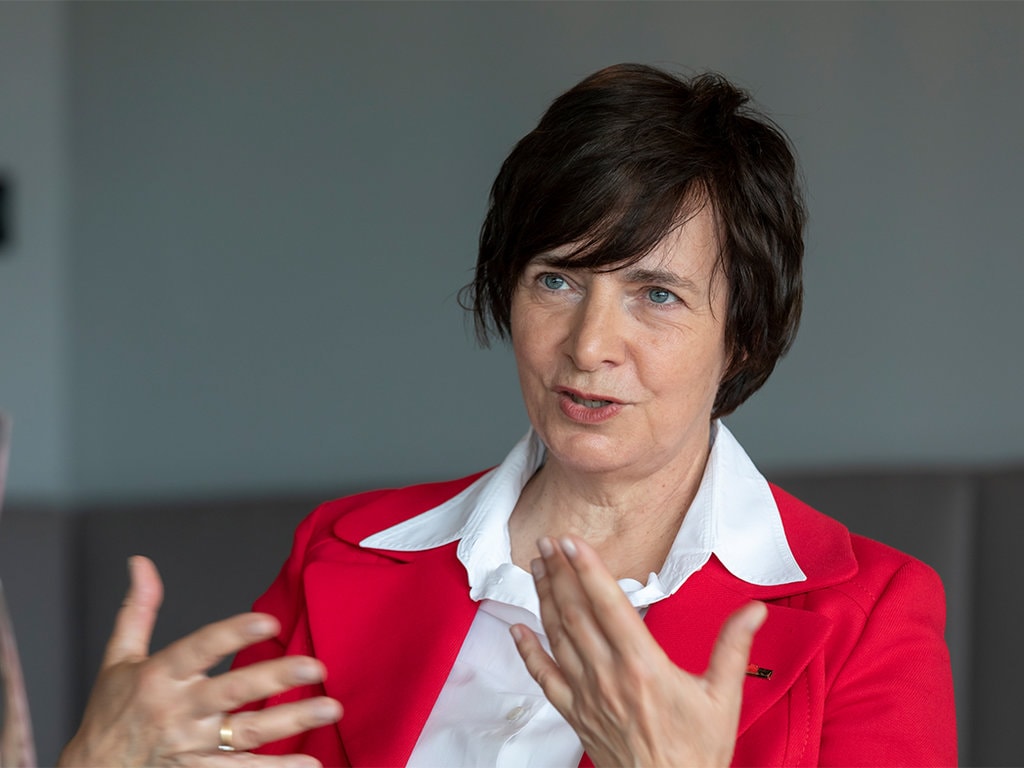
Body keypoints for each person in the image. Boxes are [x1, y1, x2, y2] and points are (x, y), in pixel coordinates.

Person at [60, 63, 957, 767]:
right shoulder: (342, 550)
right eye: (556, 280)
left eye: (657, 295)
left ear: (745, 338)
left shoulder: (868, 617)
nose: (589, 345)